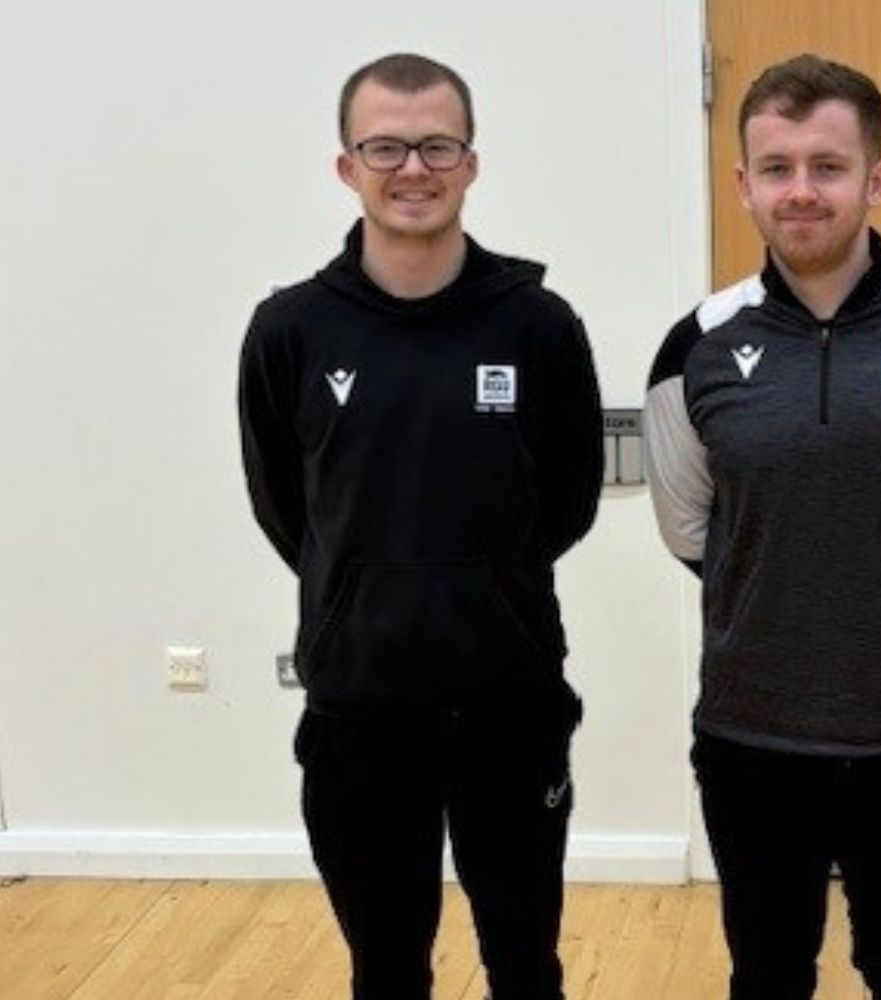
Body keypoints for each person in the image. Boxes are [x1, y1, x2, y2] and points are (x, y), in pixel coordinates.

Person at [643, 54, 881, 1000]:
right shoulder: (696, 342)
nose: (802, 191)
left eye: (827, 165)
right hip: (750, 728)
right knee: (767, 967)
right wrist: (782, 596)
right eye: (776, 169)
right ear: (743, 185)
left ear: (877, 177)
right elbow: (688, 525)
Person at [238, 53, 603, 1000]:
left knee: (526, 965)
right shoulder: (289, 332)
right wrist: (364, 592)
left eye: (436, 145)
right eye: (386, 147)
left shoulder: (538, 327)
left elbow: (567, 499)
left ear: (471, 163)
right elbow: (287, 508)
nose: (413, 169)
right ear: (347, 166)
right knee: (386, 969)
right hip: (358, 713)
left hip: (510, 707)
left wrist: (478, 588)